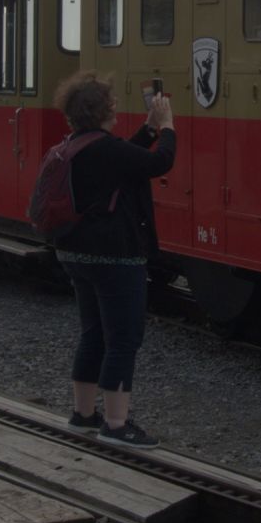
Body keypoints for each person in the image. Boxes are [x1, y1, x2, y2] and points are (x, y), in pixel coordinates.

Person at [51, 71, 175, 449]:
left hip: (76, 254)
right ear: (102, 111)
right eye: (112, 105)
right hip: (115, 259)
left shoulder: (77, 144)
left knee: (92, 333)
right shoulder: (106, 149)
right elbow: (157, 164)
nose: (116, 109)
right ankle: (117, 424)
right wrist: (168, 128)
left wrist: (149, 130)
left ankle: (84, 414)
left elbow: (128, 159)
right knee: (122, 338)